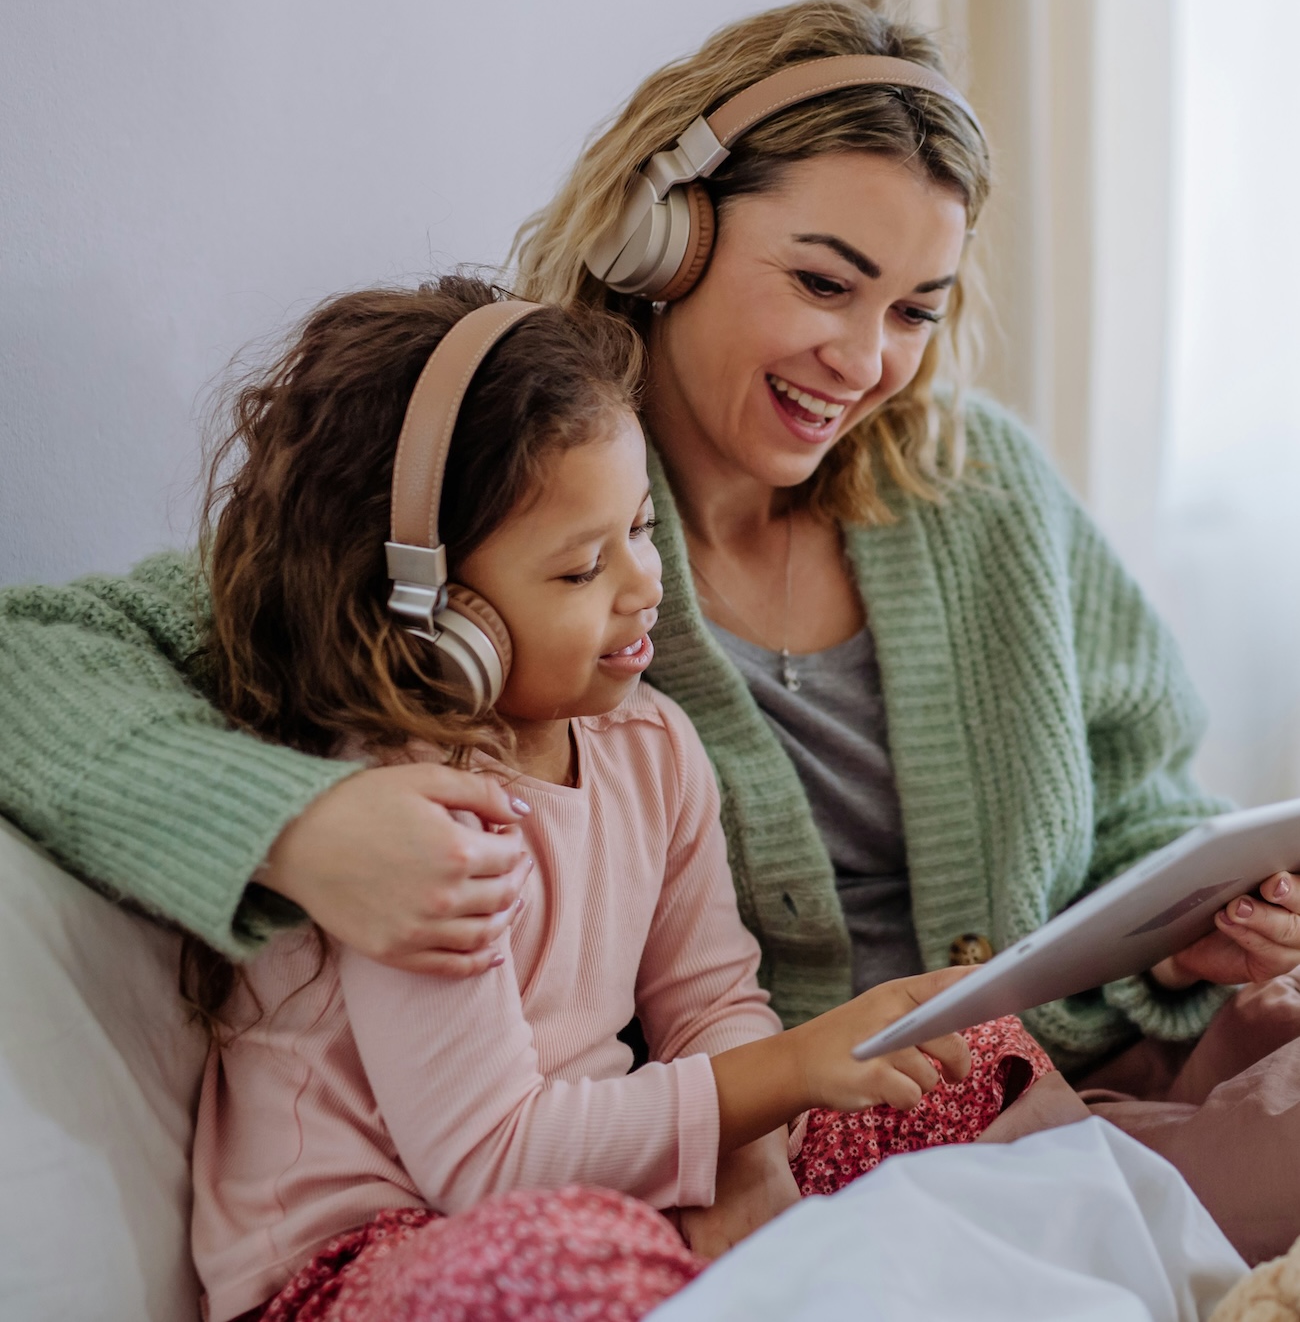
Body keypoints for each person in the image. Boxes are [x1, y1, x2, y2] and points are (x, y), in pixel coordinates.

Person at [2, 0, 1298, 1256]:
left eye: (914, 309)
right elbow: (34, 657)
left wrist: (1199, 917)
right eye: (824, 282)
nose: (865, 359)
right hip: (785, 1141)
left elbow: (1139, 799)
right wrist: (301, 828)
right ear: (659, 238)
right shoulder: (501, 495)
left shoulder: (984, 486)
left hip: (1058, 1072)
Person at [186, 276, 1050, 1322]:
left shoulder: (652, 744)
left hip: (598, 1184)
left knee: (979, 1056)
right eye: (580, 568)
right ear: (432, 613)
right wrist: (778, 1077)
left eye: (641, 528)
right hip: (378, 1255)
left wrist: (751, 1163)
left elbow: (711, 1000)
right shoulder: (407, 822)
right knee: (583, 1256)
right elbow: (488, 1158)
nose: (643, 585)